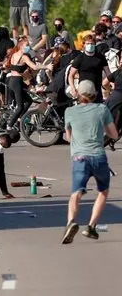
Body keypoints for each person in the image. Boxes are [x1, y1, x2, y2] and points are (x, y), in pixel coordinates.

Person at [61, 80, 118, 244]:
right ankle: (91, 226)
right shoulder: (102, 109)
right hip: (98, 157)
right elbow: (113, 134)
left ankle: (71, 221)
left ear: (78, 94)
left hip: (79, 158)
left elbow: (68, 137)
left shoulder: (69, 111)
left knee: (75, 193)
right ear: (94, 94)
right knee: (103, 191)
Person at [4, 37, 44, 131]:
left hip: (12, 80)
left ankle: (19, 120)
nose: (28, 48)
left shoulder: (14, 54)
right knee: (20, 106)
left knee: (28, 101)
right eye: (27, 46)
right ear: (21, 46)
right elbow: (34, 67)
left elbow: (8, 65)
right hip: (17, 82)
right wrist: (46, 66)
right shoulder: (24, 56)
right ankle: (9, 126)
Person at [68, 35, 110, 104]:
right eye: (88, 43)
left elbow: (108, 73)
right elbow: (71, 75)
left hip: (97, 91)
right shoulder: (79, 58)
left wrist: (113, 83)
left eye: (92, 43)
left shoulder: (101, 57)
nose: (90, 45)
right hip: (83, 92)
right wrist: (73, 88)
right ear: (84, 45)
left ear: (95, 44)